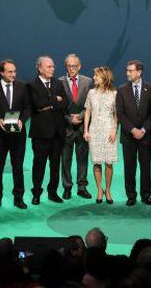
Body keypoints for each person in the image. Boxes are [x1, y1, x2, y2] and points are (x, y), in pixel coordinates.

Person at [0, 59, 30, 210]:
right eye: (10, 72)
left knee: (18, 168)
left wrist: (22, 121)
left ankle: (19, 198)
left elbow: (27, 108)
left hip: (18, 135)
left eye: (15, 71)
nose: (13, 74)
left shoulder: (23, 87)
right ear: (1, 72)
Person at [28, 56, 68, 205]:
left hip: (58, 133)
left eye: (53, 66)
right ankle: (36, 193)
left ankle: (53, 192)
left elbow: (65, 102)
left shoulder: (58, 83)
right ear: (40, 68)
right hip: (41, 133)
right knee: (39, 165)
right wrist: (54, 101)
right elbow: (37, 104)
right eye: (49, 66)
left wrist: (50, 104)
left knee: (55, 164)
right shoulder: (31, 85)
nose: (53, 69)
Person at [116, 60, 151, 206]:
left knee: (146, 168)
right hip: (128, 136)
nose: (127, 73)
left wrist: (143, 129)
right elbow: (120, 113)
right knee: (129, 167)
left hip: (146, 136)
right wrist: (132, 129)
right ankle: (131, 195)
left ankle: (146, 195)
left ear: (139, 72)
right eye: (127, 70)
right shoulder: (121, 89)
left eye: (130, 71)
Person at [59, 54, 93, 200]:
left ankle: (82, 187)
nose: (72, 69)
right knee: (65, 159)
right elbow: (57, 107)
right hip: (66, 126)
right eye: (69, 66)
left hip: (82, 126)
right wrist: (68, 118)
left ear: (79, 66)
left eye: (74, 66)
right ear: (65, 66)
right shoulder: (58, 82)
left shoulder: (88, 81)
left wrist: (80, 116)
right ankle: (67, 187)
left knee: (82, 158)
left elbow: (91, 104)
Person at [84, 66, 118, 204]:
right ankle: (99, 189)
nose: (94, 78)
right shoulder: (91, 93)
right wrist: (86, 130)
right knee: (96, 162)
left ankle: (108, 190)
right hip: (94, 130)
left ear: (104, 77)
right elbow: (87, 112)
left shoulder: (114, 94)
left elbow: (117, 115)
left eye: (96, 75)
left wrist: (114, 129)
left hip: (109, 130)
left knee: (109, 163)